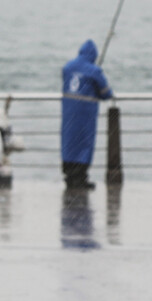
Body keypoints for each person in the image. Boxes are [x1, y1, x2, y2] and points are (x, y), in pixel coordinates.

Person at [60, 39, 114, 190]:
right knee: (84, 144)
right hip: (86, 115)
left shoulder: (68, 67)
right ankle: (80, 178)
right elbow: (106, 93)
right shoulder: (94, 71)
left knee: (68, 143)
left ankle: (69, 176)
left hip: (68, 112)